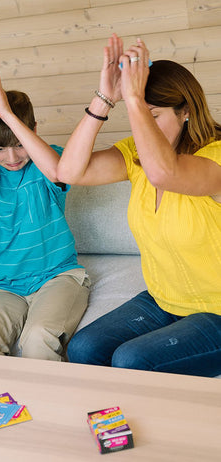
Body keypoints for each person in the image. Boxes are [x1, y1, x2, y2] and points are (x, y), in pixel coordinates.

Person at [58, 33, 221, 377]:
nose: (143, 126)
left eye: (154, 115)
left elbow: (166, 173)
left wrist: (132, 96)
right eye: (138, 115)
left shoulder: (215, 157)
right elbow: (69, 171)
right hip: (165, 299)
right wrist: (105, 98)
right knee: (83, 348)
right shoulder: (137, 153)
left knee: (132, 360)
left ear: (186, 111)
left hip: (217, 310)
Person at [0, 66, 90, 361]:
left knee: (38, 338)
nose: (11, 158)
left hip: (57, 277)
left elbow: (59, 172)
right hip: (1, 287)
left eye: (19, 145)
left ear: (33, 130)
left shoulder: (49, 162)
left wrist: (10, 117)